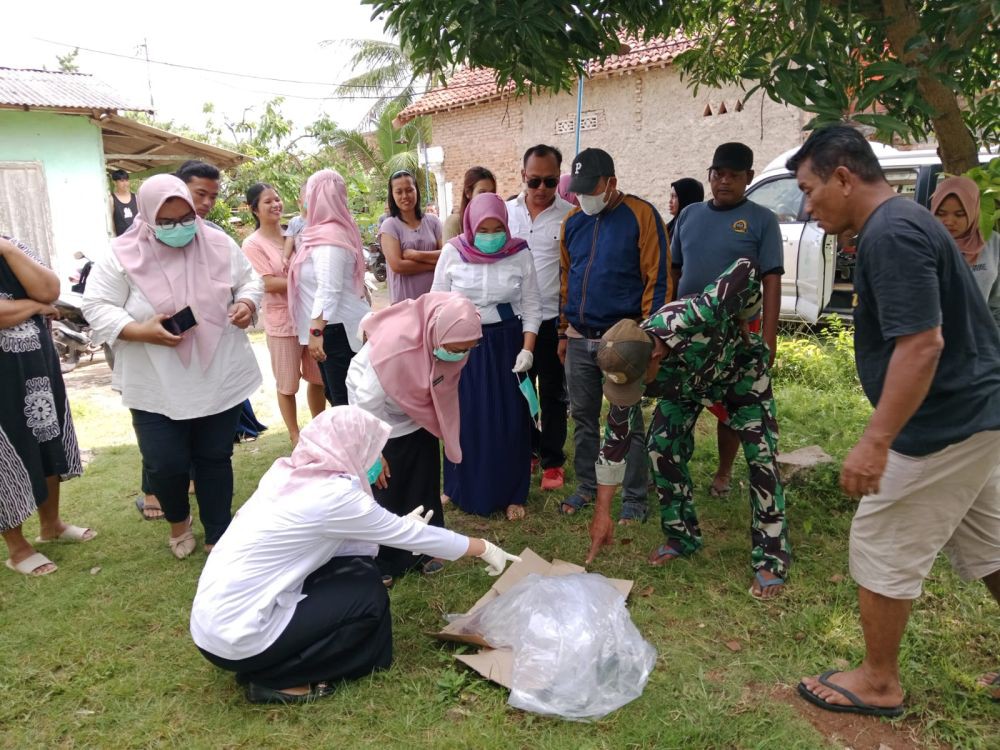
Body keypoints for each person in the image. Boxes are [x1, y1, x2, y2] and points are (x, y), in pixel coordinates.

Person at [787, 125, 1000, 716]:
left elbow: (922, 345)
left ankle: (879, 681)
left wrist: (877, 440)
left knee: (880, 538)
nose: (807, 205)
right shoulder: (902, 222)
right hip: (976, 411)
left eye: (809, 189)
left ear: (845, 177)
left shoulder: (892, 233)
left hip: (945, 422)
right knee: (990, 545)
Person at [190, 405, 521, 704]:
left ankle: (270, 660)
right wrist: (483, 547)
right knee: (368, 604)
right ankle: (277, 677)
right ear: (350, 448)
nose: (377, 459)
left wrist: (399, 527)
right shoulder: (333, 496)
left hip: (214, 623)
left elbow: (349, 543)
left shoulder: (288, 472)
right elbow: (407, 536)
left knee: (362, 573)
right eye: (372, 449)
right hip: (237, 635)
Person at [83, 174, 263, 559]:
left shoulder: (217, 242)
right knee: (165, 463)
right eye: (166, 222)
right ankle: (179, 522)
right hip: (155, 380)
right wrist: (138, 330)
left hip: (216, 374)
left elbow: (250, 281)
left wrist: (246, 304)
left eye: (185, 219)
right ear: (147, 217)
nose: (179, 228)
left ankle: (218, 530)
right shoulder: (122, 254)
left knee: (215, 457)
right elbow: (95, 306)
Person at [587, 259, 790, 599]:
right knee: (660, 448)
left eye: (636, 385)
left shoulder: (692, 315)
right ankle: (682, 537)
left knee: (762, 457)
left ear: (653, 357)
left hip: (739, 376)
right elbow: (615, 440)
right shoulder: (624, 358)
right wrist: (602, 513)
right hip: (685, 387)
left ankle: (771, 557)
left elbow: (746, 269)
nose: (631, 396)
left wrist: (743, 316)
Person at [558, 147, 670, 522]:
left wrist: (653, 337)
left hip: (622, 340)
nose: (585, 197)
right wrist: (563, 331)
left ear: (611, 184)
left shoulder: (641, 215)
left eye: (592, 189)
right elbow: (566, 279)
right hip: (578, 336)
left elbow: (659, 279)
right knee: (584, 417)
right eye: (580, 190)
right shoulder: (573, 222)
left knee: (627, 419)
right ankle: (587, 486)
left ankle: (634, 497)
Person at [671, 143, 784, 498]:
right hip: (689, 328)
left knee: (731, 407)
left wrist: (769, 337)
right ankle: (675, 473)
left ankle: (722, 473)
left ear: (749, 178)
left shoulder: (762, 220)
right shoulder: (689, 215)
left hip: (737, 332)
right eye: (718, 174)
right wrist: (666, 322)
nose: (724, 182)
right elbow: (674, 271)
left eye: (733, 176)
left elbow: (772, 280)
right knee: (679, 403)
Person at [347, 292, 482, 584]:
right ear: (437, 334)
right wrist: (372, 451)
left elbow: (441, 383)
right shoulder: (396, 348)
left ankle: (428, 549)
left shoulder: (447, 338)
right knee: (386, 484)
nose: (459, 355)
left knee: (423, 478)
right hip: (373, 409)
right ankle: (384, 561)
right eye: (455, 348)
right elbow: (367, 401)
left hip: (415, 406)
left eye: (466, 349)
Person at [431, 193, 541, 520]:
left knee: (509, 418)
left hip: (506, 343)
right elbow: (435, 303)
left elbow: (533, 305)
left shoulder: (519, 253)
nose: (491, 235)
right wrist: (439, 346)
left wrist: (527, 349)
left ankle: (513, 493)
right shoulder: (452, 252)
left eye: (497, 228)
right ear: (470, 224)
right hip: (461, 345)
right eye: (484, 228)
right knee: (464, 416)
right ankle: (458, 486)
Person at [1, 235, 89, 576]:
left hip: (37, 365)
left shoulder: (13, 246)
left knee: (46, 439)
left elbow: (49, 290)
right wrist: (35, 307)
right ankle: (17, 547)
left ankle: (51, 524)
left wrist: (7, 249)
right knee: (6, 454)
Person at [507, 145, 573, 490]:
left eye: (550, 181)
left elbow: (572, 274)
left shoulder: (571, 216)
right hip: (512, 321)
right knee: (518, 390)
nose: (542, 189)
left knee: (551, 393)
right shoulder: (504, 213)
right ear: (523, 177)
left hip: (551, 321)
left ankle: (552, 461)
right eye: (535, 181)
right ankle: (528, 449)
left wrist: (565, 328)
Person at [242, 183, 325, 446]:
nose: (276, 205)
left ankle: (320, 428)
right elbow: (266, 283)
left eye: (277, 199)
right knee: (287, 384)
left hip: (308, 318)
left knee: (318, 378)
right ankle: (294, 434)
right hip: (281, 323)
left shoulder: (296, 231)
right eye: (268, 201)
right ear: (254, 209)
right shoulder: (252, 244)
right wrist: (304, 280)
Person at [288, 169, 371, 406]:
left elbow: (328, 289)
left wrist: (316, 332)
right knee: (339, 399)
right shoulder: (328, 231)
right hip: (334, 328)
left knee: (344, 405)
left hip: (336, 330)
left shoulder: (328, 236)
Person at [931, 175, 1000, 327]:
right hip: (932, 341)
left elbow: (997, 303)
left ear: (973, 211)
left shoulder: (993, 243)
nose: (949, 221)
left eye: (960, 214)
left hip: (979, 342)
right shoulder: (922, 245)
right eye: (941, 214)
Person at [380, 170, 443, 303]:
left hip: (435, 300)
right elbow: (398, 266)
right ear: (392, 194)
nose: (405, 196)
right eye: (399, 191)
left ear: (416, 191)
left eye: (409, 190)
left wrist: (416, 255)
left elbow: (447, 256)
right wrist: (434, 265)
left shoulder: (433, 221)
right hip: (405, 303)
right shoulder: (389, 226)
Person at [442, 166, 497, 240]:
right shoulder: (454, 222)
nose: (487, 197)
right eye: (482, 192)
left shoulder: (496, 221)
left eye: (491, 193)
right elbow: (449, 250)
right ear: (468, 193)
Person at [109, 169, 138, 237]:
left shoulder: (135, 197)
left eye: (127, 180)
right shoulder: (111, 199)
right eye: (122, 181)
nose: (125, 183)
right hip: (121, 238)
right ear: (115, 182)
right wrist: (114, 236)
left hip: (136, 236)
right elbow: (111, 220)